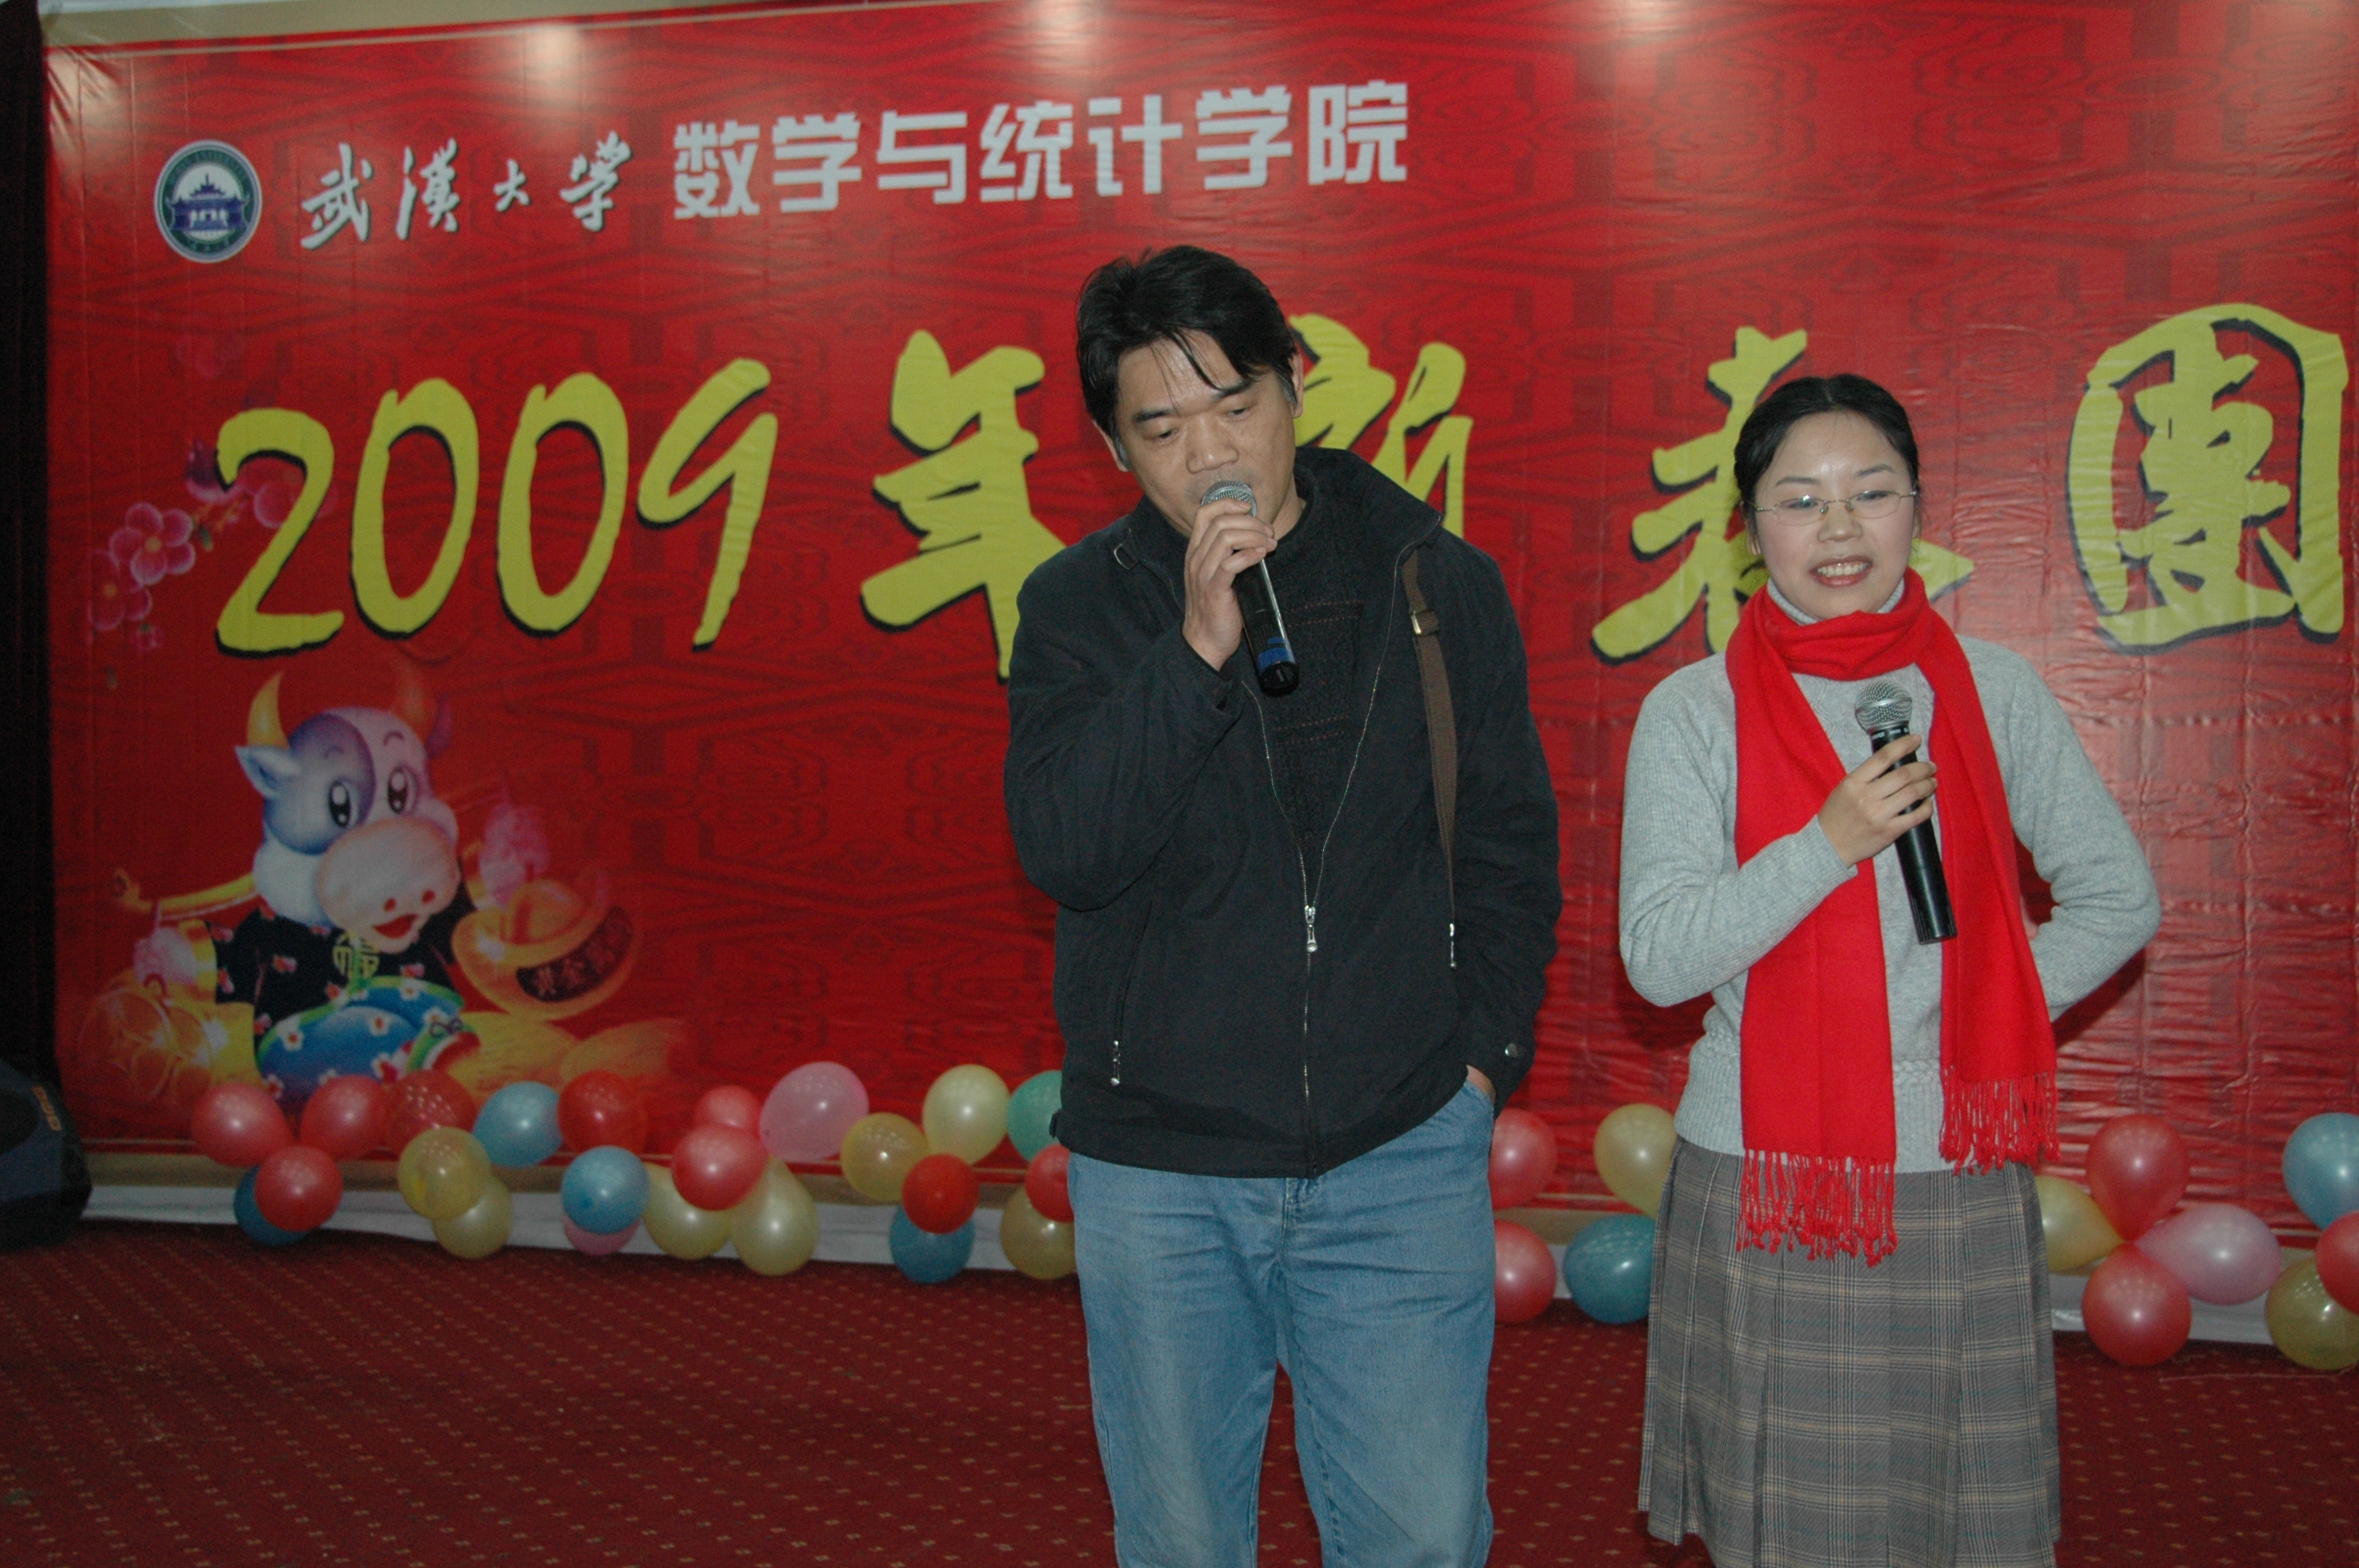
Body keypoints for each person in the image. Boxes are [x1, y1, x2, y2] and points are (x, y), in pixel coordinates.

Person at [1005, 245, 1561, 1568]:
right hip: (1163, 1173)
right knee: (1183, 1540)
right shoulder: (1075, 608)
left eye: (1235, 405)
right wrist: (1195, 649)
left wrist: (1479, 1064)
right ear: (1113, 446)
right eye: (1163, 428)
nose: (1210, 454)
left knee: (1424, 1536)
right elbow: (1068, 848)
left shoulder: (1432, 580)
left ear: (1295, 389)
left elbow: (1507, 843)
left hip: (1396, 1147)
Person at [1619, 374, 2160, 1568]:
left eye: (1871, 493)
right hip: (1766, 1179)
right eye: (1799, 499)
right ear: (1750, 528)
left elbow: (2120, 900)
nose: (1840, 528)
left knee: (1957, 1521)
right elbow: (1658, 959)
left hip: (1954, 1172)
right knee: (1788, 1528)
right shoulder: (1694, 712)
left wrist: (1976, 1014)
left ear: (1918, 506)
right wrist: (1829, 842)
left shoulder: (1993, 690)